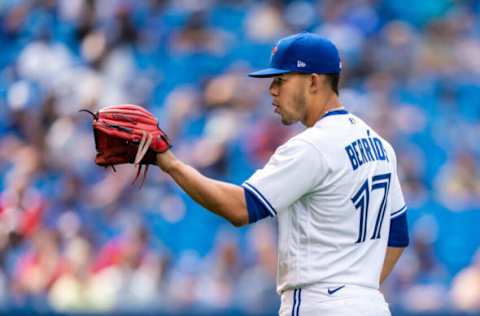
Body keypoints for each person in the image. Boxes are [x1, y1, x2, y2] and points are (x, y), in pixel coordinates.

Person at [155, 32, 409, 316]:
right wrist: (357, 293)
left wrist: (170, 164)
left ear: (313, 81)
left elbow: (240, 208)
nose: (272, 90)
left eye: (281, 80)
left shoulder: (311, 147)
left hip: (319, 305)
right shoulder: (380, 146)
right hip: (371, 306)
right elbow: (397, 236)